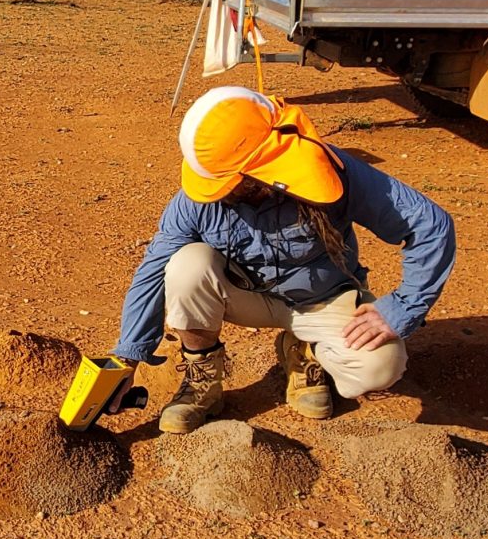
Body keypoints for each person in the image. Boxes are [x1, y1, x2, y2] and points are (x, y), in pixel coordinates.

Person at [111, 85, 456, 431]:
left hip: (323, 300)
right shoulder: (196, 202)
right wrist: (126, 359)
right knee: (186, 266)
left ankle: (304, 351)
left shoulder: (334, 170)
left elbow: (430, 226)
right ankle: (203, 379)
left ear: (261, 164)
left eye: (232, 181)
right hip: (246, 297)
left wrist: (402, 307)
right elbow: (153, 270)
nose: (223, 191)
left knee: (381, 366)